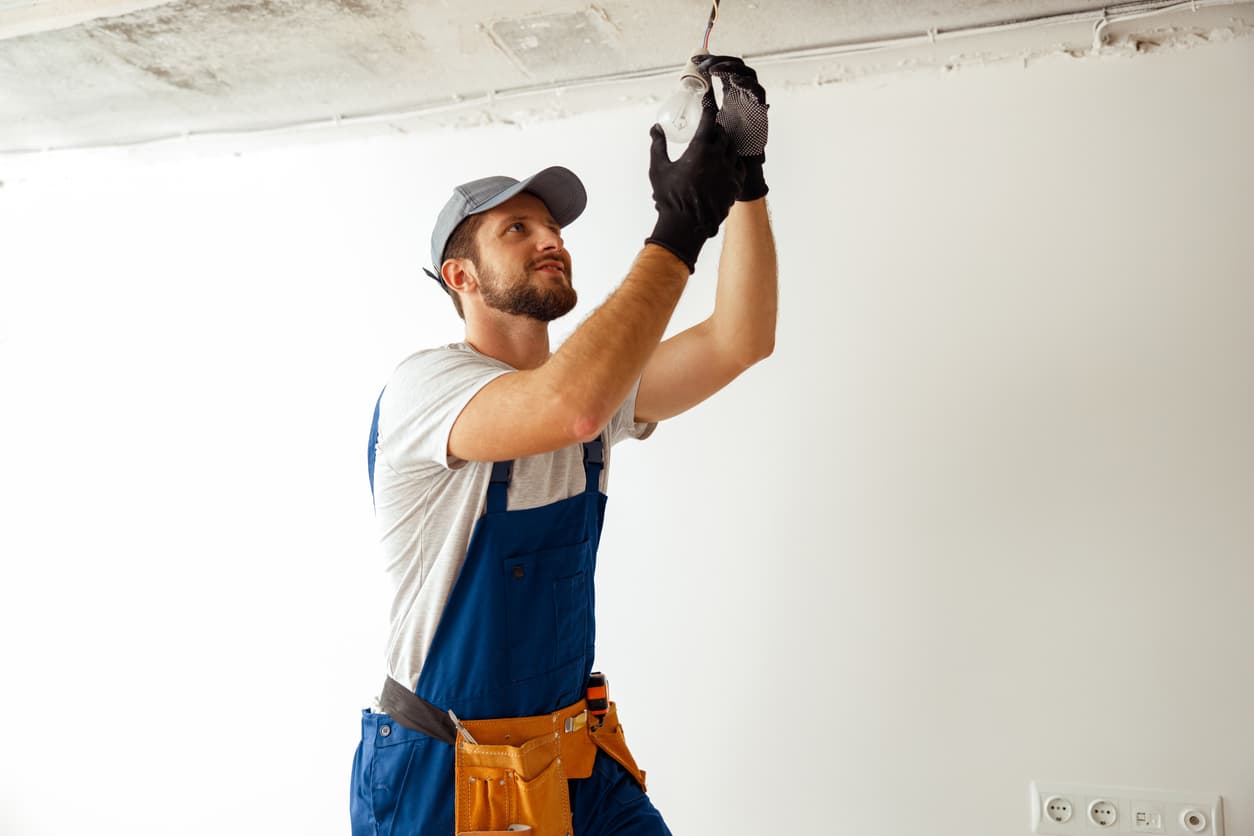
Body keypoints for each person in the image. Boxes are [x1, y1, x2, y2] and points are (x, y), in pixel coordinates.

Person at [350, 55, 777, 836]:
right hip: (447, 775)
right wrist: (678, 227)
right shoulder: (427, 390)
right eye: (518, 229)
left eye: (552, 227)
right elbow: (570, 407)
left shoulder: (594, 386)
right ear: (461, 277)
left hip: (571, 755)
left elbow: (738, 339)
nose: (550, 239)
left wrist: (744, 181)